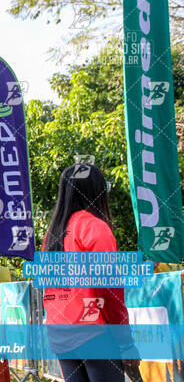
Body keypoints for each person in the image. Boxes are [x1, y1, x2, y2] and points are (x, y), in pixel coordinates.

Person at [42, 163, 139, 382]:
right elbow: (109, 290)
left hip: (60, 334)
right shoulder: (94, 226)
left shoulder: (52, 234)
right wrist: (125, 342)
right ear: (96, 191)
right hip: (94, 334)